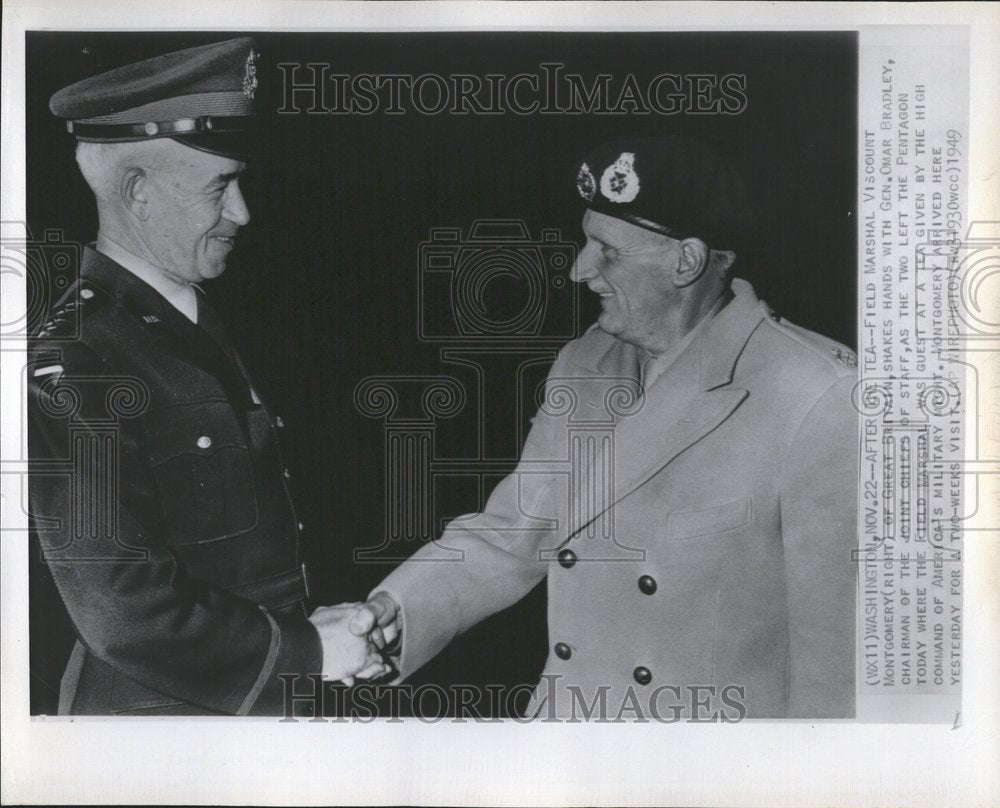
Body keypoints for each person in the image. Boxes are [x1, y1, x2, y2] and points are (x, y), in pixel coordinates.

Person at [353, 137, 859, 720]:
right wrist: (398, 611)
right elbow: (514, 531)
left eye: (608, 251)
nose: (578, 270)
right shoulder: (584, 362)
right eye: (584, 240)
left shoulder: (818, 393)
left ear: (686, 262)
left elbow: (837, 664)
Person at [29, 37, 384, 716]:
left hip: (252, 703)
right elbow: (123, 612)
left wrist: (322, 633)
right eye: (219, 186)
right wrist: (308, 652)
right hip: (160, 731)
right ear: (137, 192)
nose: (242, 212)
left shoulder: (189, 318)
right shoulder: (82, 359)